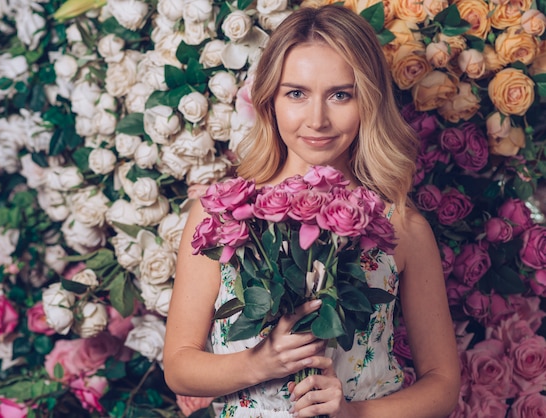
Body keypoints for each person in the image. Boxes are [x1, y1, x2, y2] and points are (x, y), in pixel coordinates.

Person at [163, 5, 460, 418]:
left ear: (368, 101)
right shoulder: (221, 213)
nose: (317, 120)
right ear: (270, 99)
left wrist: (353, 415)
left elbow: (444, 385)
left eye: (341, 94)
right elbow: (178, 367)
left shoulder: (401, 226)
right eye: (297, 93)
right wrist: (259, 363)